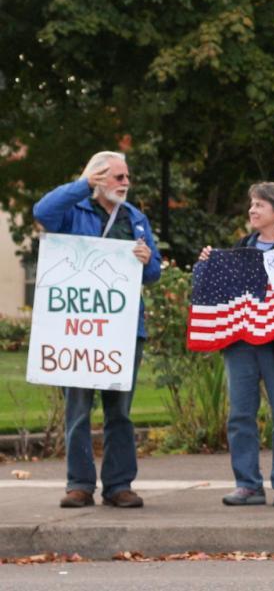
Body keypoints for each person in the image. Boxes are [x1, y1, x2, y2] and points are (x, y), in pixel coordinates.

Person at [33, 150, 162, 509]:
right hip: (77, 331)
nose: (125, 184)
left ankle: (119, 485)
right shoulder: (73, 213)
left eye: (127, 177)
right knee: (78, 409)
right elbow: (41, 213)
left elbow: (153, 275)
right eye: (117, 177)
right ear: (97, 178)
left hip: (122, 330)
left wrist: (148, 261)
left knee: (119, 411)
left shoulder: (135, 218)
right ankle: (79, 485)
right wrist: (81, 186)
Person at [196, 182, 274, 508]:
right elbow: (220, 293)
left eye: (259, 204)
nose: (252, 210)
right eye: (251, 204)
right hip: (241, 343)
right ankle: (247, 485)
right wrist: (209, 262)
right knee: (240, 416)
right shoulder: (240, 248)